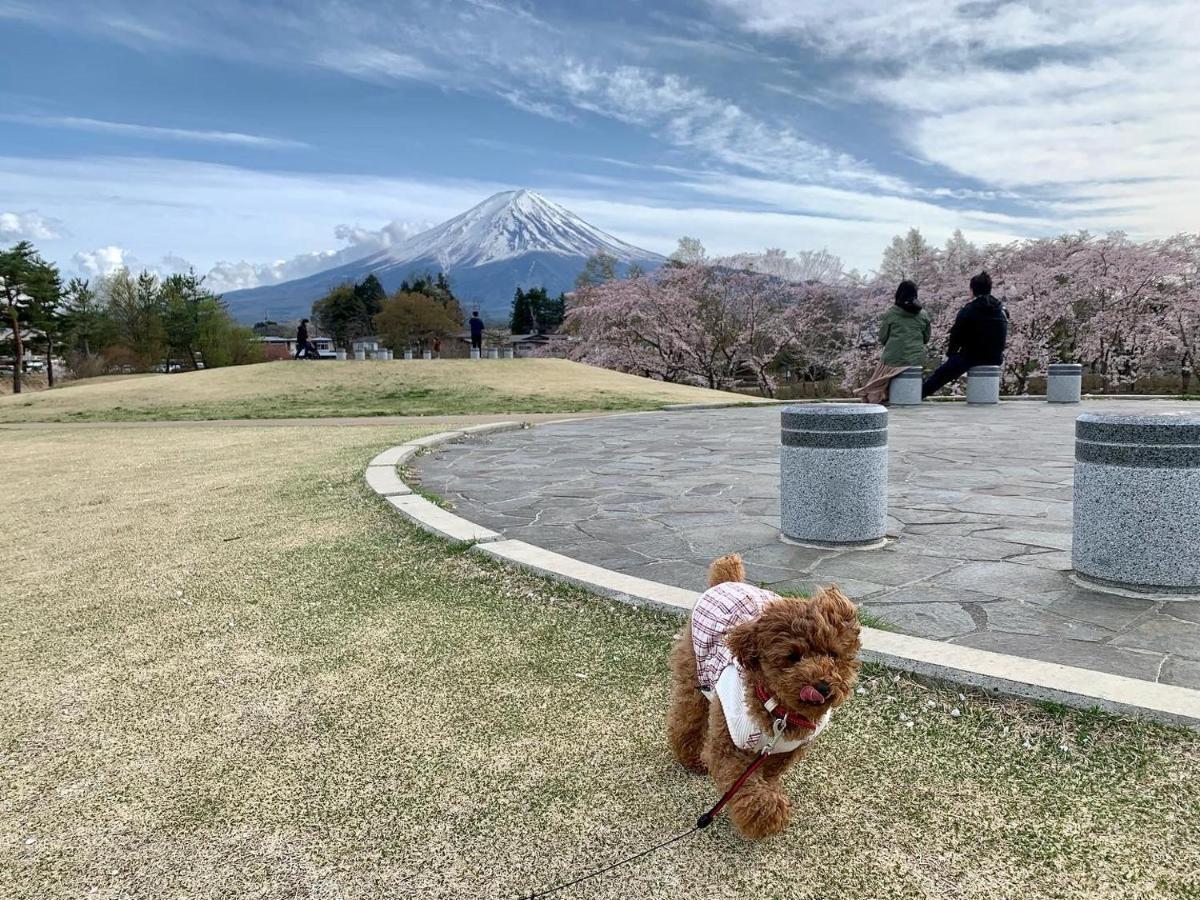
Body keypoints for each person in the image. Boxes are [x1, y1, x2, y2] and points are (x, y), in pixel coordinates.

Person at [922, 271, 1009, 397]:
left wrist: (951, 354)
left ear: (972, 290)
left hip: (971, 356)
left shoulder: (969, 310)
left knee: (941, 374)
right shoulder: (1001, 310)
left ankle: (917, 395)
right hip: (995, 357)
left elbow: (956, 335)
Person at [855, 280, 931, 404]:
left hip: (893, 358)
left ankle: (873, 396)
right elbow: (926, 339)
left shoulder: (891, 313)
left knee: (883, 369)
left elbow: (883, 338)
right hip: (916, 359)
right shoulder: (923, 315)